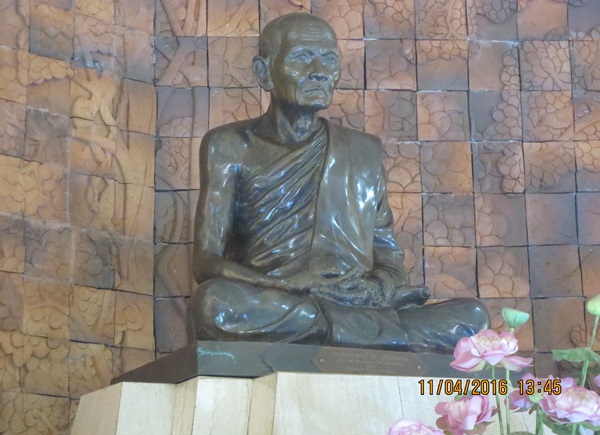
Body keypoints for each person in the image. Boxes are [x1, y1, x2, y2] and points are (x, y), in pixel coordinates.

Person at [186, 12, 488, 352]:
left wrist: (375, 289)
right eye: (303, 57)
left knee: (474, 317)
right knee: (212, 305)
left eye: (329, 60)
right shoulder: (228, 146)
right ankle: (376, 335)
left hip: (353, 302)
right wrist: (287, 284)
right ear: (264, 72)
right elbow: (206, 262)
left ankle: (343, 328)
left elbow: (388, 258)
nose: (319, 71)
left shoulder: (363, 150)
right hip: (280, 298)